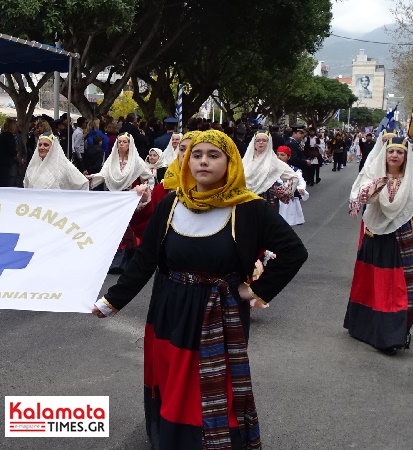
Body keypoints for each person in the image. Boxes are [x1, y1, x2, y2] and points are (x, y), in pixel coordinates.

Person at [92, 130, 308, 449]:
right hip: (169, 308)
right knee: (173, 381)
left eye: (213, 155)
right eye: (196, 155)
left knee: (211, 386)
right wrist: (111, 301)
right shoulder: (171, 204)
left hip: (222, 313)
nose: (203, 161)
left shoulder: (248, 208)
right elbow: (145, 259)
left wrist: (255, 292)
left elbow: (294, 251)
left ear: (230, 162)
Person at [346, 136, 413, 355]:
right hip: (376, 235)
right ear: (385, 154)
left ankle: (393, 336)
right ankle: (367, 328)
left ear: (407, 156)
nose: (395, 156)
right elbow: (359, 197)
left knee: (403, 287)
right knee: (374, 282)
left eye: (400, 152)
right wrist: (371, 189)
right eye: (391, 152)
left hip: (405, 237)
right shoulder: (373, 175)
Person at [89, 133, 153, 273]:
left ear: (130, 144)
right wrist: (89, 180)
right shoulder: (111, 160)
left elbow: (148, 177)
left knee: (127, 229)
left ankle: (127, 261)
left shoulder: (136, 161)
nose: (121, 144)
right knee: (114, 229)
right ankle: (113, 262)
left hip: (128, 199)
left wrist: (144, 190)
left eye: (124, 142)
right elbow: (103, 175)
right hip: (113, 198)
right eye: (119, 142)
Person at [242, 131, 298, 209]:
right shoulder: (246, 161)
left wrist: (281, 191)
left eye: (264, 140)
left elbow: (293, 177)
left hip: (267, 199)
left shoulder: (274, 161)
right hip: (247, 198)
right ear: (254, 143)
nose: (261, 143)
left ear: (269, 143)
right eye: (258, 140)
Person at [23, 132, 88, 190]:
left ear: (53, 147)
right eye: (40, 145)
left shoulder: (64, 165)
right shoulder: (33, 166)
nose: (42, 148)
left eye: (46, 145)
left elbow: (83, 183)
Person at [275, 146, 309, 226]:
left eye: (282, 155)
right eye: (278, 154)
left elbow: (300, 180)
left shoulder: (294, 170)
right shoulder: (271, 169)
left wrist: (300, 188)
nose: (279, 157)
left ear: (288, 157)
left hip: (289, 197)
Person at [0, 117, 19, 187]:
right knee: (6, 183)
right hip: (6, 164)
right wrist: (16, 153)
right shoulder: (9, 136)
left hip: (0, 163)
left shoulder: (2, 135)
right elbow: (12, 151)